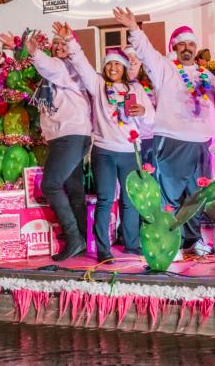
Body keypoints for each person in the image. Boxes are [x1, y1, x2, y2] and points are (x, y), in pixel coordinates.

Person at [113, 7, 215, 256]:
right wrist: (133, 27)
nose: (187, 48)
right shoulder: (165, 68)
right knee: (169, 196)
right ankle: (168, 242)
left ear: (196, 48)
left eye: (191, 44)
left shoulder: (207, 75)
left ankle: (192, 240)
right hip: (173, 140)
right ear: (175, 47)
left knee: (197, 195)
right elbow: (146, 52)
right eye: (181, 44)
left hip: (202, 143)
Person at [62, 22, 154, 262]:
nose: (113, 68)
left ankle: (131, 245)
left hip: (130, 152)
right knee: (104, 199)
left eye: (118, 64)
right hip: (103, 152)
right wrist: (70, 40)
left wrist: (143, 111)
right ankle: (103, 250)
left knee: (130, 201)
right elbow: (81, 63)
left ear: (124, 68)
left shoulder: (136, 89)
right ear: (104, 67)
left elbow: (152, 120)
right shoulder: (99, 85)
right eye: (109, 64)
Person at [0, 27, 92, 261]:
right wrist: (19, 48)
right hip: (68, 135)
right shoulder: (56, 73)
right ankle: (82, 237)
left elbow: (47, 65)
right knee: (73, 187)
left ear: (71, 47)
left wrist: (32, 52)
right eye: (56, 43)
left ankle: (74, 237)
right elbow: (38, 70)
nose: (59, 47)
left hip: (69, 134)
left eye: (64, 43)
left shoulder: (65, 68)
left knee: (50, 185)